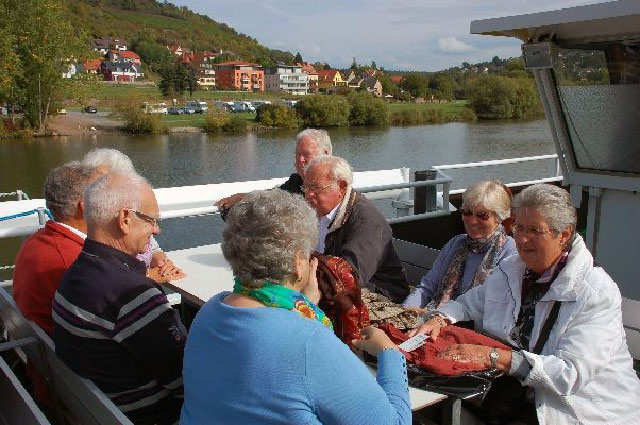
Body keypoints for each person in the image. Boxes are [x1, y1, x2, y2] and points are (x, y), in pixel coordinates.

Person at [410, 184, 640, 424]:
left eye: (534, 230)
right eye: (519, 227)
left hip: (577, 410)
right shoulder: (513, 269)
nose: (521, 238)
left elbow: (569, 374)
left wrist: (494, 356)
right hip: (513, 397)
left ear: (564, 234)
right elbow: (469, 303)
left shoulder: (595, 292)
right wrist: (440, 318)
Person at [181, 189, 410, 425]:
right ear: (298, 263)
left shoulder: (209, 313)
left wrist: (305, 304)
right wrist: (389, 352)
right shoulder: (309, 342)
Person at [53, 172, 186, 425]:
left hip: (98, 410)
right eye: (151, 220)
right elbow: (186, 379)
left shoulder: (74, 274)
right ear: (125, 219)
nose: (156, 229)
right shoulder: (133, 294)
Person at [303, 155, 410, 303]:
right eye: (306, 187)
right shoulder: (319, 211)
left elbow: (349, 276)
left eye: (316, 188)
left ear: (341, 187)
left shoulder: (368, 222)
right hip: (335, 290)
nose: (308, 194)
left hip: (380, 296)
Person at [13, 161, 99, 336]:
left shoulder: (35, 241)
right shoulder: (75, 261)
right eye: (104, 196)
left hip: (39, 345)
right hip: (66, 349)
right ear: (85, 207)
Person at [403, 180, 517, 309]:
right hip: (436, 314)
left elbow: (497, 305)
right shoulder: (455, 243)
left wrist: (443, 316)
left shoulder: (509, 252)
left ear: (499, 217)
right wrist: (405, 309)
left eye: (482, 215)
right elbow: (427, 288)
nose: (472, 221)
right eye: (467, 212)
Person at [81, 148, 183, 282]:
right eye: (98, 183)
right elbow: (103, 273)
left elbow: (154, 249)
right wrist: (146, 276)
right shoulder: (93, 225)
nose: (99, 189)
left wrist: (163, 263)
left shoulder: (137, 221)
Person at [215, 128, 332, 209]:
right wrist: (242, 197)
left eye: (306, 154)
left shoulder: (335, 186)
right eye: (297, 154)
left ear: (325, 154)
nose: (300, 160)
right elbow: (271, 195)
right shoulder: (296, 182)